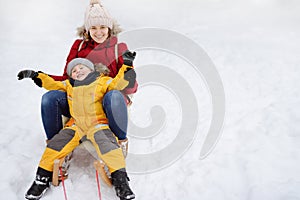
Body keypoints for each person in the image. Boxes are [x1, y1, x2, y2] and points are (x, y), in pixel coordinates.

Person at [18, 52, 136, 200]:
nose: (77, 71)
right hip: (76, 126)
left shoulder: (102, 81)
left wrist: (127, 65)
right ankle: (41, 179)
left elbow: (119, 82)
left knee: (109, 147)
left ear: (92, 70)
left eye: (81, 68)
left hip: (97, 124)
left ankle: (121, 181)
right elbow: (52, 84)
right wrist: (35, 75)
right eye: (73, 71)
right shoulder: (69, 85)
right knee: (54, 146)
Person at [41, 0, 137, 152]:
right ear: (87, 30)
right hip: (80, 101)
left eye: (102, 27)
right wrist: (40, 77)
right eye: (93, 28)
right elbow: (67, 80)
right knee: (49, 98)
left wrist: (129, 73)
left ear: (109, 28)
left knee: (112, 95)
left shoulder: (119, 47)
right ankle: (57, 148)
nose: (99, 32)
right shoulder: (78, 46)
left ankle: (118, 145)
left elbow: (132, 88)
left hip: (107, 102)